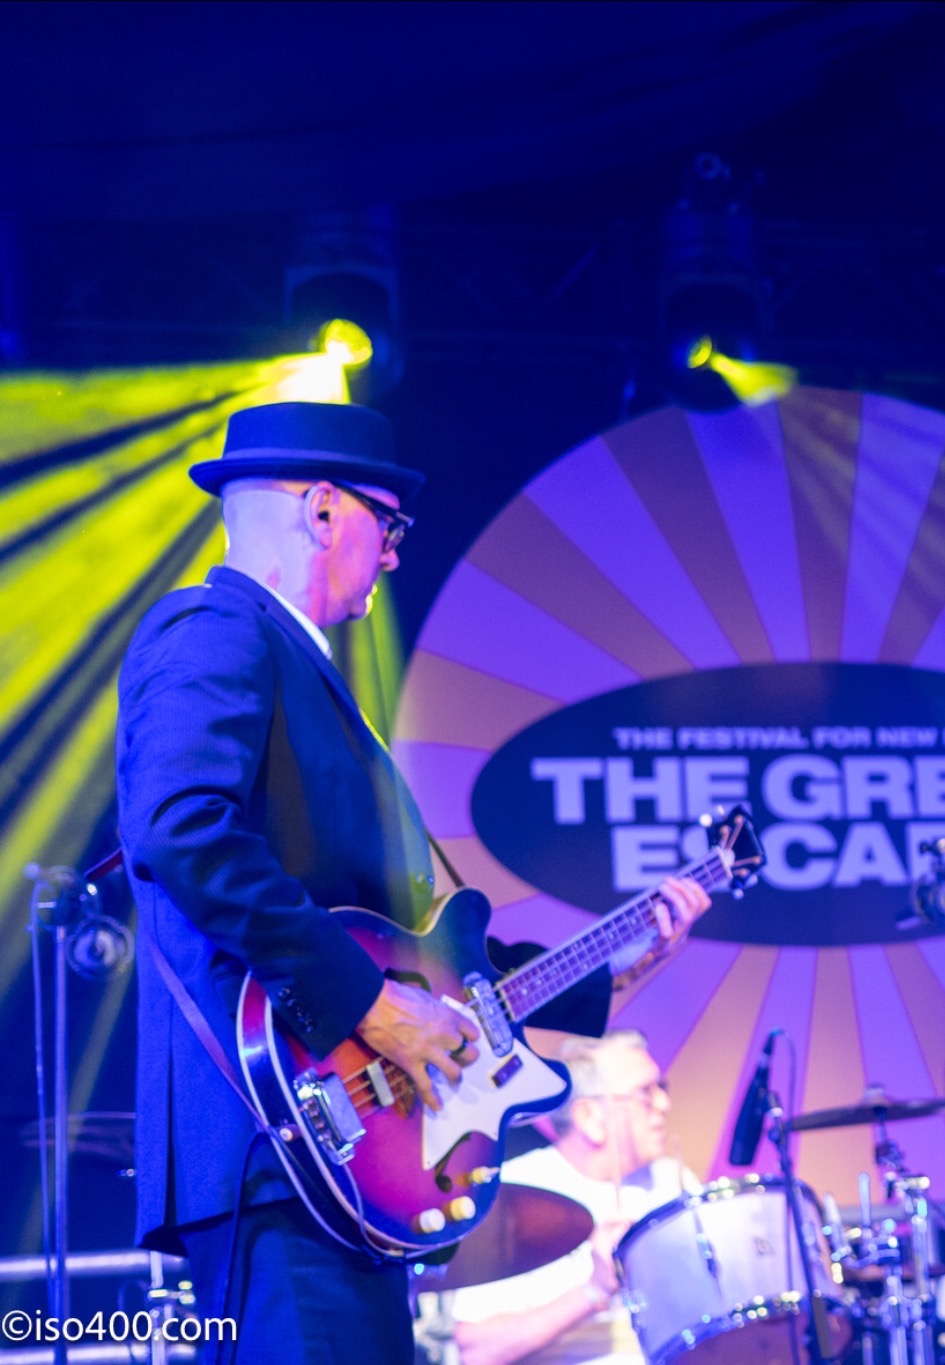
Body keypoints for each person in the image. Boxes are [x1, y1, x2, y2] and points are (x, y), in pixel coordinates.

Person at [116, 401, 710, 1363]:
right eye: (387, 523)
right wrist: (371, 1006)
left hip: (347, 1159)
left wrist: (604, 973)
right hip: (275, 1143)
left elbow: (423, 954)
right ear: (322, 509)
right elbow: (181, 829)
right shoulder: (216, 626)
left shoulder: (307, 676)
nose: (394, 554)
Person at [441, 1032, 695, 1365]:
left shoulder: (673, 1181)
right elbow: (477, 1352)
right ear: (589, 1117)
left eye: (662, 1088)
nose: (664, 1104)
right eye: (645, 1094)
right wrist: (595, 1290)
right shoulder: (517, 1192)